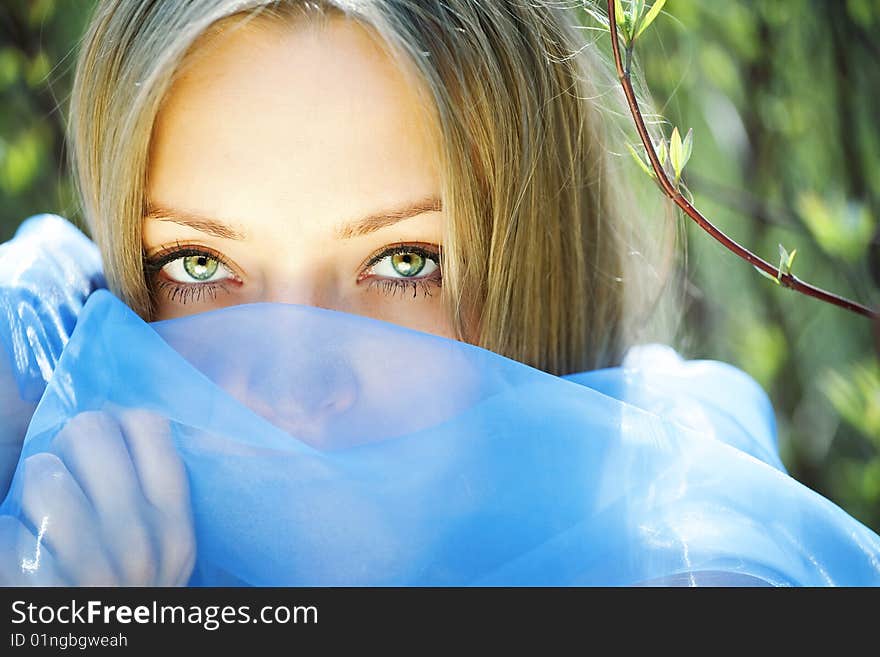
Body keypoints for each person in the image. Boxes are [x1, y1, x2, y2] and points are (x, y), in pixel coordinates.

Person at [1, 0, 878, 586]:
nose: (292, 390)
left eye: (405, 262)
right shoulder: (51, 492)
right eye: (197, 266)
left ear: (538, 261)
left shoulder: (687, 552)